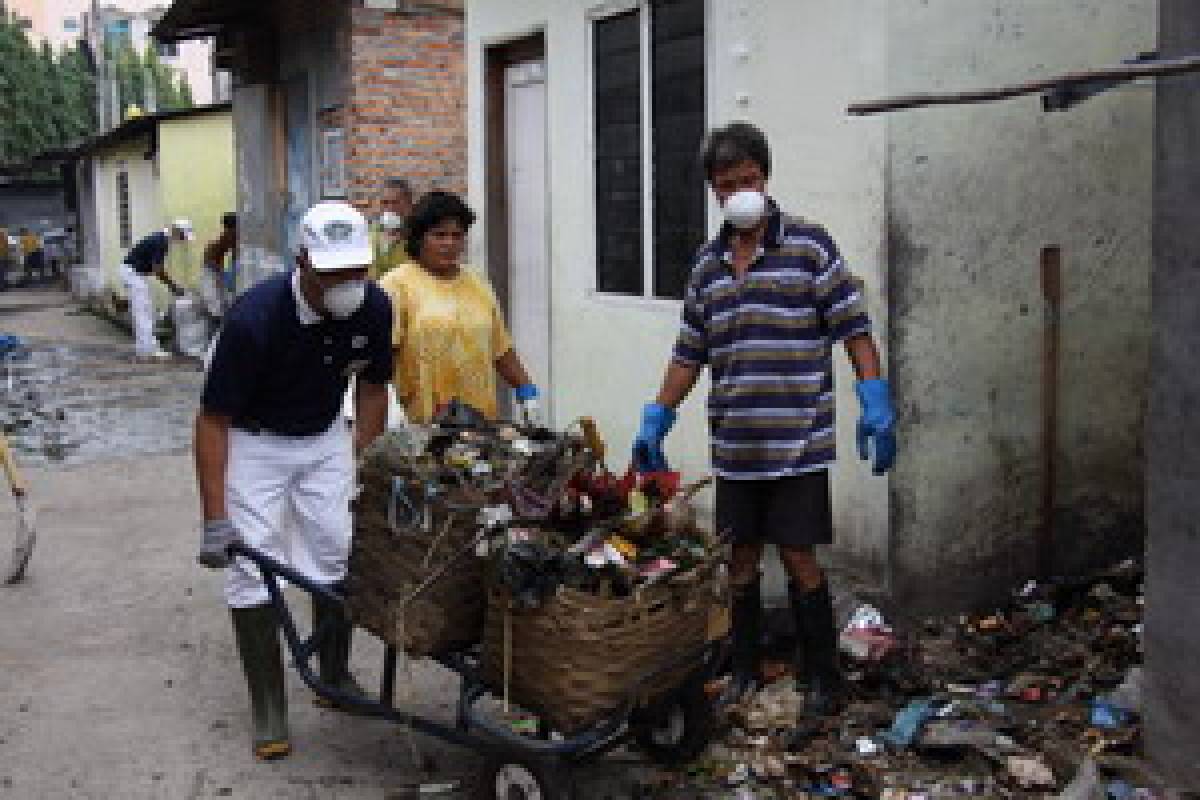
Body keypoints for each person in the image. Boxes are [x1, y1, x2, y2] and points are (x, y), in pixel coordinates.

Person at [632, 122, 897, 725]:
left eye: (749, 179)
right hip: (737, 447)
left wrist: (874, 395)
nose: (740, 193)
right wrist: (657, 416)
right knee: (741, 560)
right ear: (713, 192)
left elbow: (853, 329)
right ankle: (743, 669)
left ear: (766, 176)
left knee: (800, 557)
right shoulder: (706, 265)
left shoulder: (809, 245)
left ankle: (823, 678)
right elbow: (689, 352)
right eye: (727, 185)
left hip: (797, 443)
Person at [193, 201, 392, 760]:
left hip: (325, 436)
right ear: (302, 261)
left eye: (357, 270)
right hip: (254, 443)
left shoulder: (373, 309)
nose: (348, 283)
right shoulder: (254, 321)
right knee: (252, 566)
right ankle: (269, 707)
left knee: (335, 554)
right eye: (334, 273)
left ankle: (333, 678)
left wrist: (364, 466)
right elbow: (212, 421)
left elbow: (373, 389)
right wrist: (215, 519)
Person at [377, 191, 540, 425]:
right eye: (439, 235)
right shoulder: (396, 286)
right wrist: (388, 409)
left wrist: (527, 391)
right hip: (422, 424)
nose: (449, 243)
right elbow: (382, 358)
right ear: (419, 238)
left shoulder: (477, 284)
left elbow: (500, 348)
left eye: (457, 235)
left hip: (480, 424)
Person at [121, 220, 192, 360]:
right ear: (177, 231)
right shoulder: (161, 242)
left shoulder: (161, 239)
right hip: (132, 274)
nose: (183, 240)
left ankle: (149, 347)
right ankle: (146, 351)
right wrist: (173, 286)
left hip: (135, 274)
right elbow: (157, 270)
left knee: (147, 310)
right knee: (142, 311)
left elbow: (155, 268)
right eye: (183, 236)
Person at [370, 177, 414, 281]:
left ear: (409, 204)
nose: (390, 208)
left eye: (395, 202)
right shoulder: (371, 234)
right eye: (385, 203)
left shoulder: (420, 234)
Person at [203, 212, 239, 316]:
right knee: (217, 308)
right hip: (211, 271)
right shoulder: (225, 239)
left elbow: (234, 257)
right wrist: (221, 275)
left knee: (223, 303)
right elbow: (209, 261)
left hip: (215, 270)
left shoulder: (230, 238)